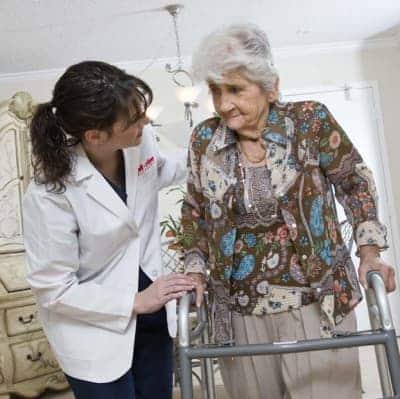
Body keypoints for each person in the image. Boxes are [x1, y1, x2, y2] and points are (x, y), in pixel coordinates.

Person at [180, 24, 396, 399]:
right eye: (215, 90)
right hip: (238, 309)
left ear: (271, 87)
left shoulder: (310, 121)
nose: (223, 103)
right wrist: (194, 270)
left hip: (319, 302)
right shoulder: (204, 140)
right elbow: (195, 211)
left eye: (235, 89)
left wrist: (370, 254)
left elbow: (354, 183)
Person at [23, 60, 193, 399]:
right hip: (94, 326)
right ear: (95, 136)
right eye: (133, 120)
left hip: (153, 314)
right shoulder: (49, 193)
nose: (145, 121)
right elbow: (54, 289)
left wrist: (210, 148)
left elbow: (163, 171)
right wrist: (134, 301)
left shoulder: (140, 144)